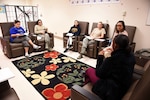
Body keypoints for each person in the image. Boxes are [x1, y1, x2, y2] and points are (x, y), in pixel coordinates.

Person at [85, 34, 135, 100]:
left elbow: (99, 73)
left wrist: (100, 57)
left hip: (112, 90)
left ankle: (85, 92)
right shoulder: (131, 55)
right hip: (123, 86)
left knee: (89, 70)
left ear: (115, 45)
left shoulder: (112, 59)